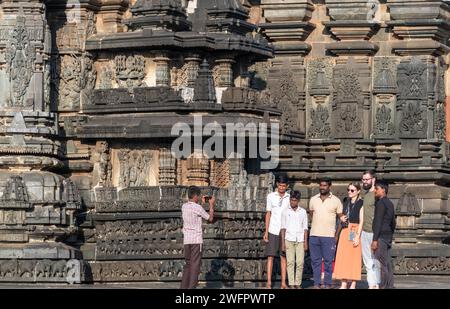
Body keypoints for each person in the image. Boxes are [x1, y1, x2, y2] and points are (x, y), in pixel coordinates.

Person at [308, 178, 346, 289]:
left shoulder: (336, 201)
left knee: (329, 261)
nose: (322, 187)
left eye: (325, 185)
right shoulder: (313, 199)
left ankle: (328, 284)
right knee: (316, 261)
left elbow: (341, 219)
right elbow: (311, 214)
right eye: (321, 185)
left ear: (329, 186)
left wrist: (337, 235)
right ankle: (317, 283)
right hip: (314, 235)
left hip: (329, 237)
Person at [180, 186, 215, 289]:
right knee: (195, 266)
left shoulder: (184, 207)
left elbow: (195, 211)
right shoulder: (198, 208)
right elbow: (210, 218)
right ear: (195, 196)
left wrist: (202, 204)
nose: (199, 197)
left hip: (187, 240)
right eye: (198, 196)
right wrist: (211, 205)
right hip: (196, 240)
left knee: (188, 265)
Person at [333, 182, 364, 289]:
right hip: (345, 230)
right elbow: (341, 213)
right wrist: (341, 217)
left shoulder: (361, 203)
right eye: (348, 190)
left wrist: (357, 236)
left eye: (352, 190)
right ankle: (344, 282)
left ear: (358, 191)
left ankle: (353, 283)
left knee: (354, 258)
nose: (349, 192)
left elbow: (362, 221)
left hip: (354, 230)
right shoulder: (346, 201)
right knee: (343, 257)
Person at [263, 175, 290, 289]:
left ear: (287, 186)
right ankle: (269, 282)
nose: (281, 188)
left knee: (284, 257)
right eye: (279, 185)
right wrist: (266, 231)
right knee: (270, 257)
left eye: (283, 186)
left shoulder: (290, 197)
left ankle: (283, 283)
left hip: (286, 231)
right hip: (273, 229)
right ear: (277, 185)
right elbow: (268, 213)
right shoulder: (271, 196)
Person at [280, 191, 308, 289]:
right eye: (291, 200)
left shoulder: (303, 212)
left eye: (294, 200)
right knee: (290, 262)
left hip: (300, 240)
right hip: (289, 239)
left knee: (300, 262)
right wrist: (283, 243)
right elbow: (283, 228)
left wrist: (306, 243)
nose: (292, 202)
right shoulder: (285, 211)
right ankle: (291, 283)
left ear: (298, 201)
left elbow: (305, 228)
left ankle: (298, 283)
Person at [371, 180, 396, 289]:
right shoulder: (389, 203)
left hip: (380, 237)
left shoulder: (381, 203)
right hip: (387, 236)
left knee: (381, 264)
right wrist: (389, 234)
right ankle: (389, 285)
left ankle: (384, 286)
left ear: (383, 190)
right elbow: (393, 223)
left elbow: (378, 222)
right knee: (387, 263)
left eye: (377, 189)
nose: (375, 191)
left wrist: (375, 240)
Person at [360, 170, 380, 289]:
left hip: (374, 232)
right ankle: (371, 284)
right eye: (363, 179)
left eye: (367, 179)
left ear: (373, 179)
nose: (365, 182)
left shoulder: (377, 194)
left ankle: (377, 283)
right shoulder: (365, 195)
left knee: (376, 260)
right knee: (367, 261)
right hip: (364, 231)